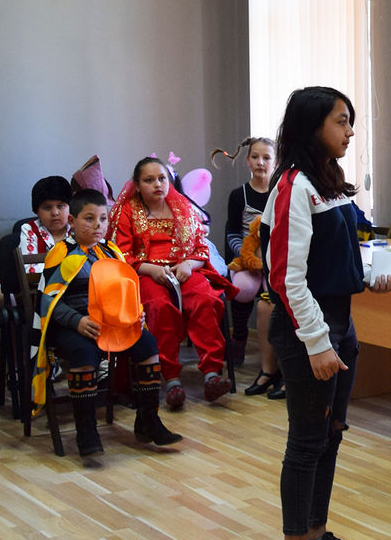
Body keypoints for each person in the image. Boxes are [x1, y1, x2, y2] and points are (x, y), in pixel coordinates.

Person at [262, 87, 391, 540]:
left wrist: (368, 276)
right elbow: (286, 278)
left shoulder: (329, 183)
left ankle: (316, 533)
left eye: (350, 121)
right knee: (306, 440)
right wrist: (317, 342)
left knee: (330, 434)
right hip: (309, 332)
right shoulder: (293, 186)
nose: (350, 131)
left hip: (340, 324)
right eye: (341, 121)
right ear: (312, 125)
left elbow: (336, 254)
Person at [34, 188, 183, 461]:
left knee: (147, 344)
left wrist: (135, 313)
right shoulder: (60, 253)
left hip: (111, 322)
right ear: (72, 221)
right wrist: (78, 321)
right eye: (89, 219)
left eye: (103, 219)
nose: (97, 225)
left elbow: (127, 290)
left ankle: (148, 419)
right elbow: (48, 301)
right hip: (73, 324)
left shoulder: (111, 251)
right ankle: (86, 430)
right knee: (84, 352)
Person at [108, 156, 231, 409]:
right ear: (137, 185)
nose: (157, 184)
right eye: (149, 180)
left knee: (205, 300)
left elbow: (201, 249)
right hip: (145, 273)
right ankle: (172, 379)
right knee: (159, 307)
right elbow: (121, 255)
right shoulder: (128, 211)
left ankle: (211, 374)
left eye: (162, 178)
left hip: (184, 271)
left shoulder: (183, 207)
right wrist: (151, 269)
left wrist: (189, 265)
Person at [225, 137, 282, 397]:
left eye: (266, 158)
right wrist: (247, 256)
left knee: (274, 295)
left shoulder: (280, 193)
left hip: (274, 261)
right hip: (246, 259)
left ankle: (275, 359)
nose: (261, 162)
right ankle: (239, 337)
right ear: (248, 161)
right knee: (242, 289)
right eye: (255, 157)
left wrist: (267, 260)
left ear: (275, 162)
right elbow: (232, 233)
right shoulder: (239, 195)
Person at [18, 175, 76, 259]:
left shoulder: (78, 228)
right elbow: (29, 266)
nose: (55, 213)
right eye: (47, 207)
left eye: (60, 206)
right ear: (37, 211)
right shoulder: (30, 230)